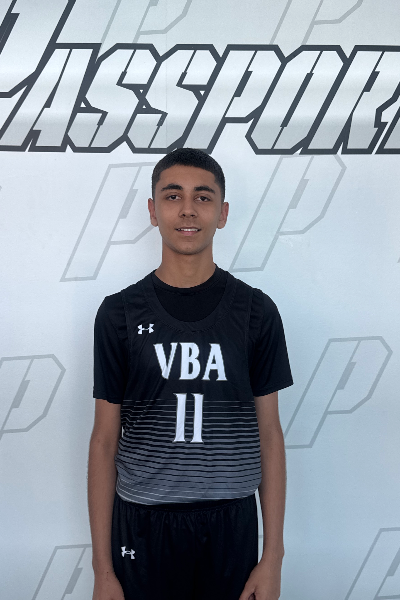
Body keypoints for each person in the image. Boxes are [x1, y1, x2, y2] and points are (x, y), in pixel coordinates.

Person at [88, 148, 293, 600]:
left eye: (202, 197)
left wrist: (273, 556)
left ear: (222, 213)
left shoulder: (256, 312)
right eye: (172, 195)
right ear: (152, 210)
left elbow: (269, 434)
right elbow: (104, 440)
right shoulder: (119, 313)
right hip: (142, 525)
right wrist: (103, 569)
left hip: (231, 524)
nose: (187, 209)